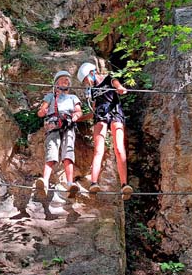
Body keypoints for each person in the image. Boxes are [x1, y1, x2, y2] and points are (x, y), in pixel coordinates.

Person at [77, 62, 133, 200]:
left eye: (85, 80)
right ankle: (94, 183)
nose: (86, 83)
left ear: (91, 72)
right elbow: (94, 111)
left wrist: (121, 89)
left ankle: (124, 184)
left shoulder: (109, 79)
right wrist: (79, 119)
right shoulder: (93, 90)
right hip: (101, 115)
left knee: (119, 149)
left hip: (114, 113)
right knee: (98, 150)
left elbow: (118, 86)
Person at [34, 70, 83, 198]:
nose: (65, 81)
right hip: (53, 125)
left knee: (68, 153)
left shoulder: (73, 98)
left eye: (67, 80)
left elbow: (79, 111)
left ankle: (70, 183)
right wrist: (43, 111)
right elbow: (40, 112)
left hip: (68, 125)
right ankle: (44, 182)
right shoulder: (50, 96)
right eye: (62, 80)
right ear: (56, 84)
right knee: (52, 152)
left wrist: (76, 115)